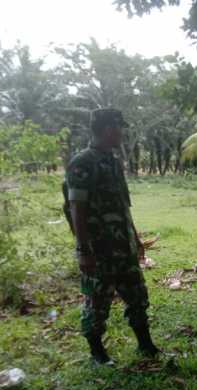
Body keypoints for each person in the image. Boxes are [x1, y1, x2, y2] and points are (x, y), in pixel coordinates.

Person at [65, 108, 159, 364]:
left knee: (137, 296)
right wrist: (83, 250)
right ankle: (97, 353)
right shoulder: (82, 163)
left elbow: (122, 205)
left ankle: (145, 344)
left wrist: (136, 237)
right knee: (97, 302)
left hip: (123, 246)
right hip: (99, 250)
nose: (122, 133)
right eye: (120, 128)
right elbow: (76, 208)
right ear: (108, 129)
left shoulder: (113, 161)